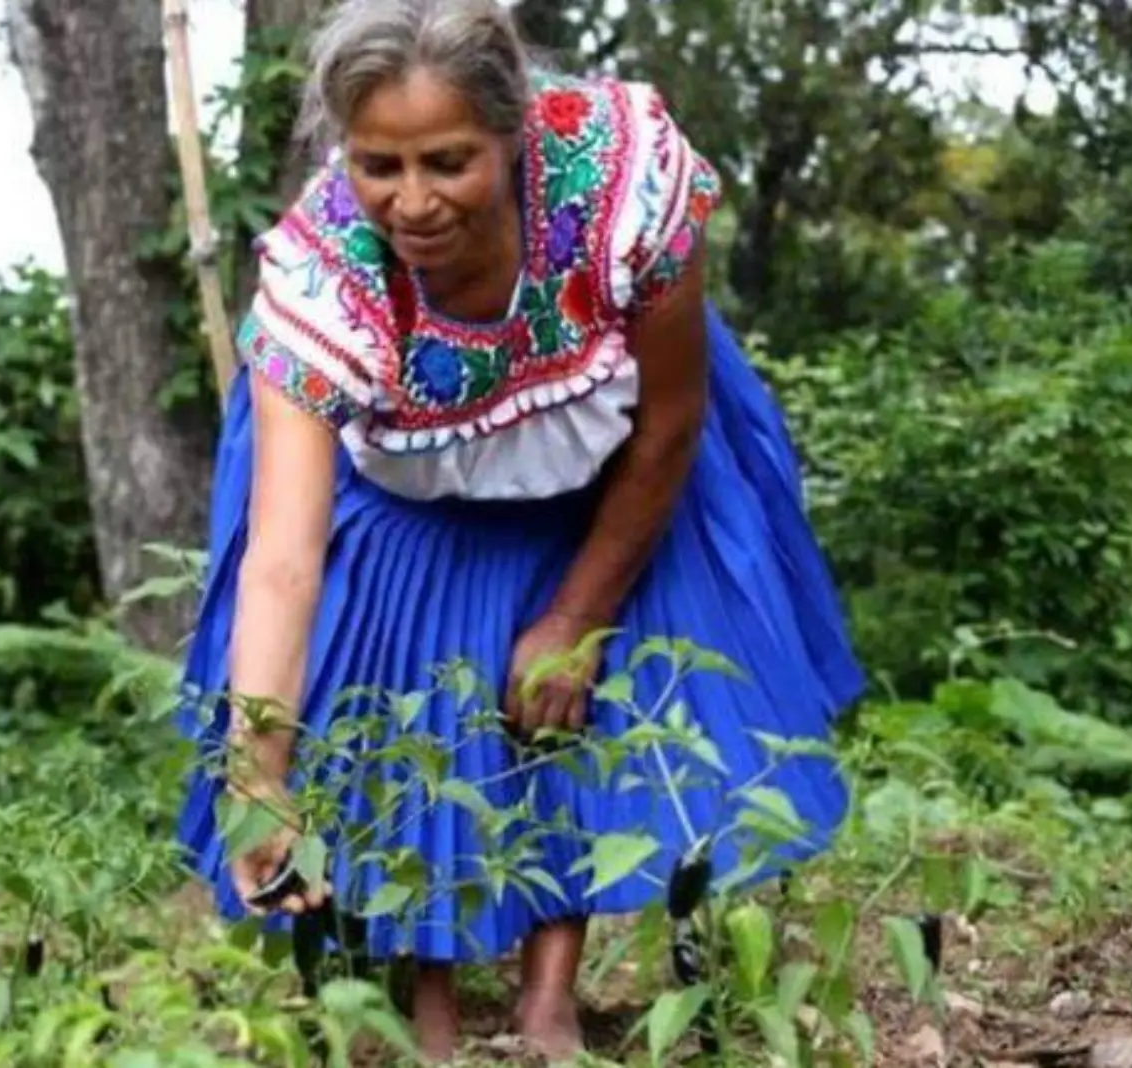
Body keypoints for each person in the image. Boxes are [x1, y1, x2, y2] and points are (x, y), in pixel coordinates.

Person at [172, 0, 865, 1060]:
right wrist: (258, 777)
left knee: (568, 687)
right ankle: (430, 1006)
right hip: (405, 480)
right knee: (403, 696)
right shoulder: (324, 278)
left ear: (514, 133)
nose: (412, 202)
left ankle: (550, 1006)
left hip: (614, 450)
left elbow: (671, 420)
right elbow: (283, 560)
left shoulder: (619, 185)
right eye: (378, 166)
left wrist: (576, 614)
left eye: (448, 161)